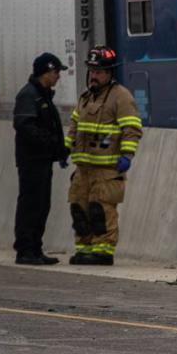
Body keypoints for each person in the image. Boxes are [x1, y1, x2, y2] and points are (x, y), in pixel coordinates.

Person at [65, 46, 142, 265]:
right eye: (91, 71)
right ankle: (84, 248)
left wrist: (127, 155)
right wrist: (65, 149)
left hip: (107, 170)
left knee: (101, 211)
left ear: (109, 73)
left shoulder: (121, 97)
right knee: (79, 209)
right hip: (83, 169)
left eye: (98, 72)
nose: (94, 76)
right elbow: (74, 125)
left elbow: (132, 128)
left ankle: (103, 251)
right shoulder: (86, 98)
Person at [13, 52, 69, 265]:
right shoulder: (29, 95)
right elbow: (25, 126)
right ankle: (25, 250)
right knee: (31, 205)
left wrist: (58, 150)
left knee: (42, 205)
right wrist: (50, 142)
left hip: (43, 159)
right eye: (56, 72)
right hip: (32, 161)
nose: (58, 77)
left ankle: (35, 249)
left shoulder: (42, 95)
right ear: (46, 72)